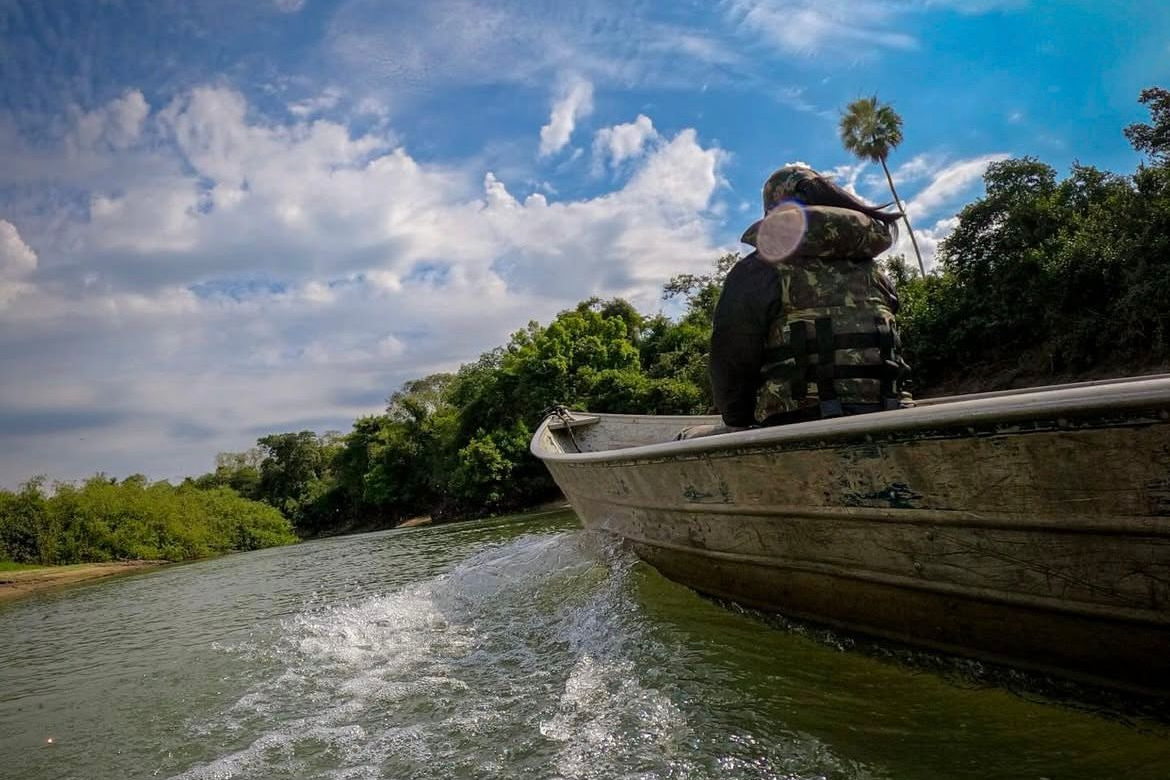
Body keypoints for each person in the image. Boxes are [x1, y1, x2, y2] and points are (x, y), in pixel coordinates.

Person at [709, 165, 912, 429]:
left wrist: (738, 420)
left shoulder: (759, 270)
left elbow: (731, 365)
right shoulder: (876, 272)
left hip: (796, 422)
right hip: (893, 414)